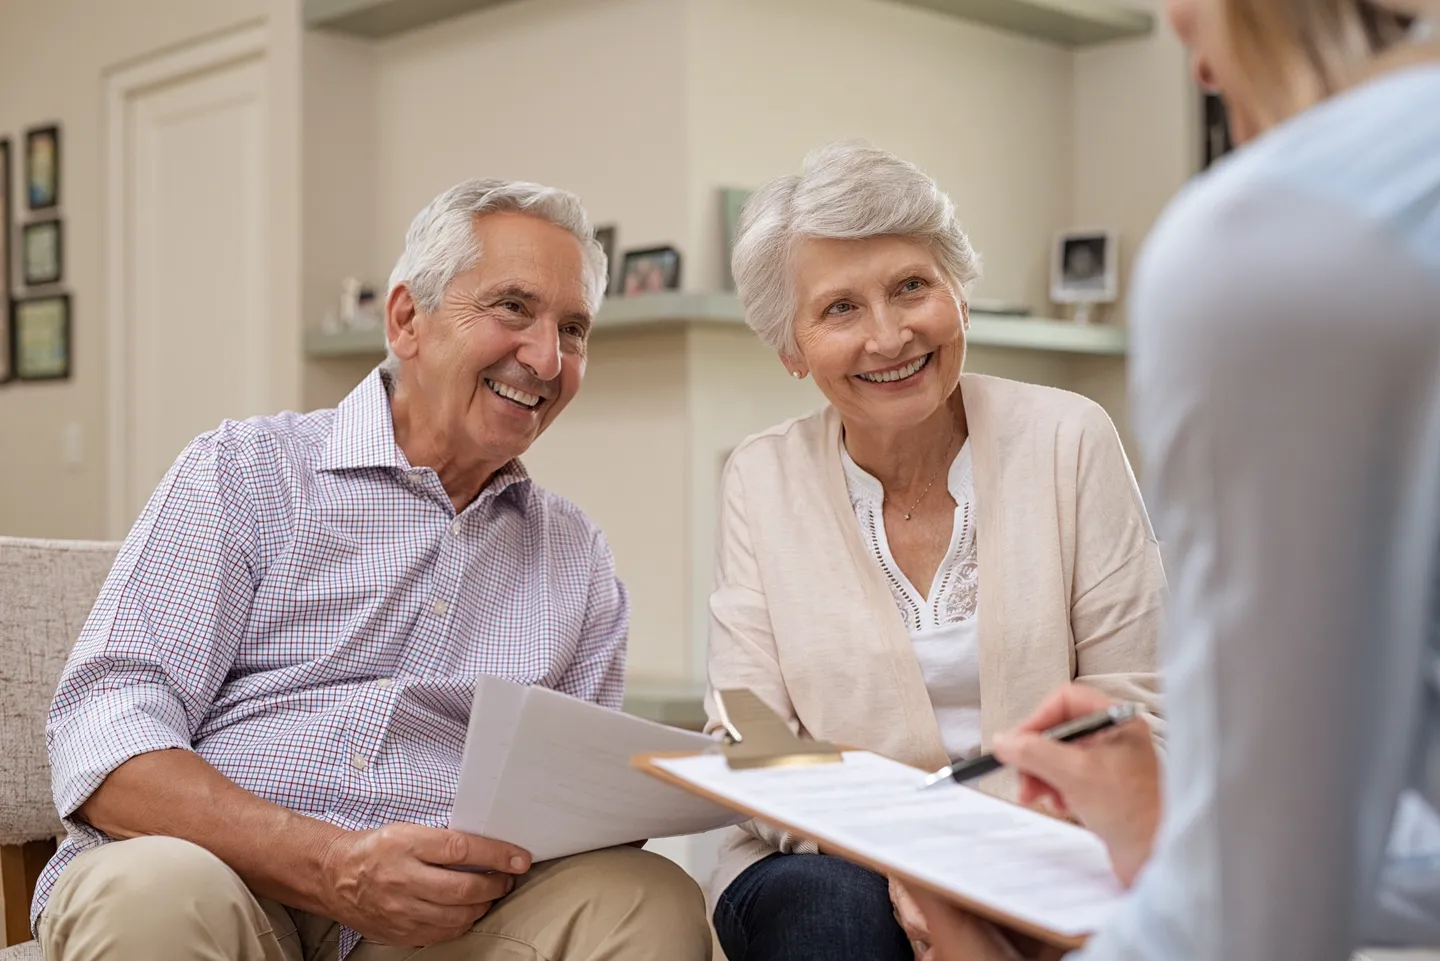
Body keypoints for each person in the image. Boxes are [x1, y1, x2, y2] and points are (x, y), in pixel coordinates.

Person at [34, 179, 712, 961]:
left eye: (574, 328)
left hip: (437, 928)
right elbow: (107, 734)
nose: (546, 357)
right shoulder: (247, 471)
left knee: (648, 901)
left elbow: (584, 823)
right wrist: (330, 864)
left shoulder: (577, 558)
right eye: (514, 309)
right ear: (407, 319)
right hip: (221, 881)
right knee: (149, 893)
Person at [915, 1, 1440, 958]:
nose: (1195, 64)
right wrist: (1183, 836)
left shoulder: (1278, 237)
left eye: (1191, 24)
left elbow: (1253, 920)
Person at [705, 141, 1167, 961]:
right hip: (825, 861)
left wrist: (982, 867)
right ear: (791, 348)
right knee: (836, 916)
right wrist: (901, 859)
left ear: (957, 293)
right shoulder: (760, 476)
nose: (889, 335)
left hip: (1046, 847)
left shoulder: (1070, 439)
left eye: (911, 286)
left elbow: (1137, 704)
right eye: (840, 309)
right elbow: (752, 737)